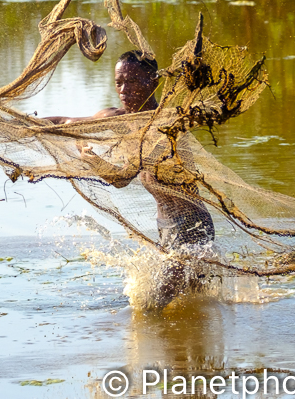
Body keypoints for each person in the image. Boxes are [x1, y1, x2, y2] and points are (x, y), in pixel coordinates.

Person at [45, 50, 215, 308]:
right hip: (166, 225)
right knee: (187, 299)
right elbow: (65, 122)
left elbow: (121, 178)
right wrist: (11, 121)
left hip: (193, 228)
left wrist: (90, 158)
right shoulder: (116, 117)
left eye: (133, 82)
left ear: (153, 82)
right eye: (119, 82)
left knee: (153, 304)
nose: (124, 89)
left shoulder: (165, 127)